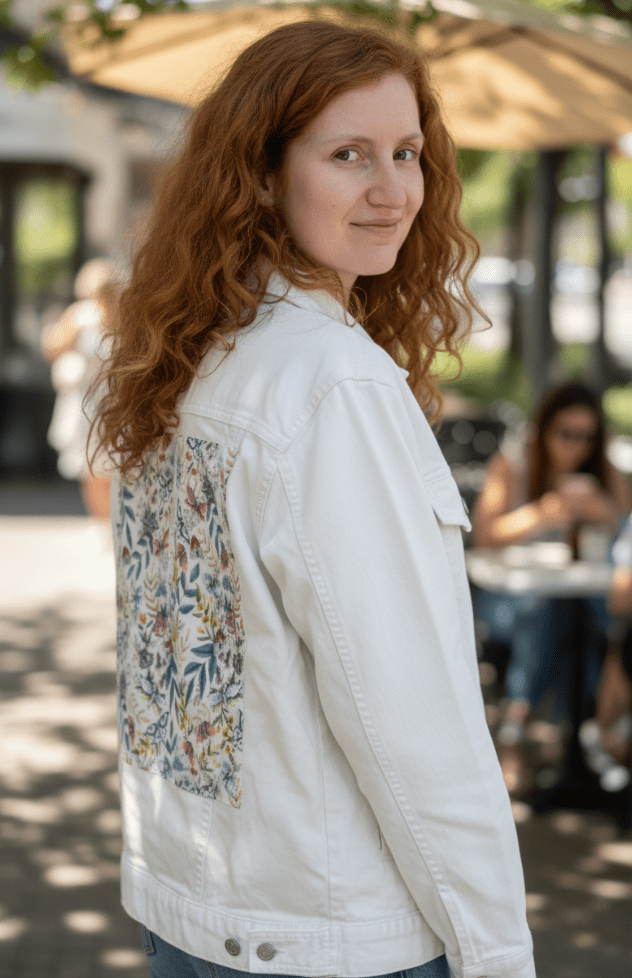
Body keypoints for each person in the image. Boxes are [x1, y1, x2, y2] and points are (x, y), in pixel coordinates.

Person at [93, 21, 536, 978]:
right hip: (327, 939)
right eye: (349, 155)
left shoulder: (181, 359)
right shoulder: (333, 386)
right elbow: (412, 726)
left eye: (407, 152)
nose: (394, 190)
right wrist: (500, 956)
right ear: (260, 172)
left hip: (192, 908)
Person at [471, 383, 631, 793]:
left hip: (576, 594)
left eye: (588, 436)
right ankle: (532, 733)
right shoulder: (514, 464)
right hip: (506, 597)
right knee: (544, 617)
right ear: (543, 430)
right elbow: (484, 534)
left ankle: (587, 735)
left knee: (603, 620)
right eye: (566, 433)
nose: (577, 446)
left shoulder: (601, 470)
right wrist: (542, 514)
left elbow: (627, 524)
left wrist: (605, 513)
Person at [42, 257, 119, 523]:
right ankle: (102, 523)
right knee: (92, 467)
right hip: (88, 400)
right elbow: (52, 346)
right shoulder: (81, 316)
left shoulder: (124, 315)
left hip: (114, 399)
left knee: (110, 466)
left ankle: (110, 522)